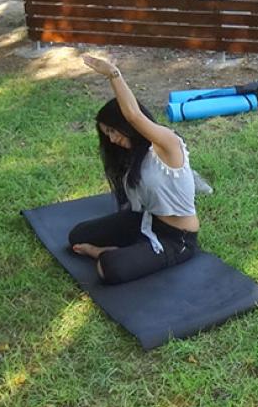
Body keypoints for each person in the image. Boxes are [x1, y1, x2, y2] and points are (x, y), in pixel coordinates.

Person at [68, 55, 207, 284]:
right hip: (144, 220)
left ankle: (106, 253)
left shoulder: (168, 145)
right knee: (77, 235)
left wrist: (113, 74)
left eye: (114, 131)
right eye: (107, 134)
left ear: (127, 125)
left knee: (108, 268)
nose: (112, 139)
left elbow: (133, 115)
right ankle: (132, 248)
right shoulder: (132, 153)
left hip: (177, 239)